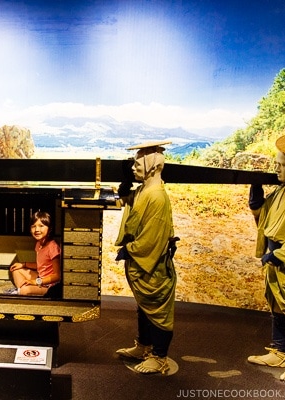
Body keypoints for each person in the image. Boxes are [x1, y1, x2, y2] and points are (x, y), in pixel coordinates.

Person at [247, 133, 285, 384]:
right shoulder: (283, 190)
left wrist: (281, 254)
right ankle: (279, 351)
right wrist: (257, 204)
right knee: (277, 303)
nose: (277, 170)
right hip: (276, 260)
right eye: (277, 164)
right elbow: (267, 218)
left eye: (282, 165)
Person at [114, 140, 178, 375]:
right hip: (140, 265)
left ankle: (159, 356)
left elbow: (152, 238)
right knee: (144, 306)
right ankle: (144, 346)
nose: (133, 167)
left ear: (151, 165)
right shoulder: (144, 191)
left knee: (157, 309)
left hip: (153, 267)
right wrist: (126, 194)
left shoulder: (158, 197)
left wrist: (129, 249)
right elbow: (135, 207)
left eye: (137, 161)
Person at [9, 211, 61, 296]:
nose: (37, 230)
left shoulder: (53, 247)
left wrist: (36, 282)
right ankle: (21, 290)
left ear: (50, 229)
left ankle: (22, 291)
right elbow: (40, 265)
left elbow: (57, 276)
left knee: (25, 290)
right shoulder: (38, 244)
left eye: (41, 226)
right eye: (33, 226)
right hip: (40, 277)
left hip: (49, 285)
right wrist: (23, 265)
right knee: (16, 270)